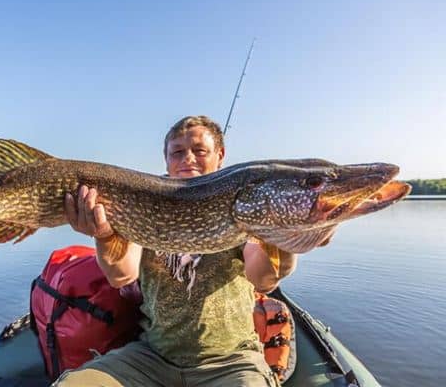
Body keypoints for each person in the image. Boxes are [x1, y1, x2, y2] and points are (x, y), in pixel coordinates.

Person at [56, 116, 297, 387]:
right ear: (166, 159)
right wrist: (103, 235)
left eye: (199, 150)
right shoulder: (143, 199)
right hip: (152, 358)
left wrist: (285, 236)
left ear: (220, 156)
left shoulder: (241, 201)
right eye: (178, 152)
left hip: (231, 362)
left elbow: (262, 278)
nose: (188, 159)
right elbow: (121, 276)